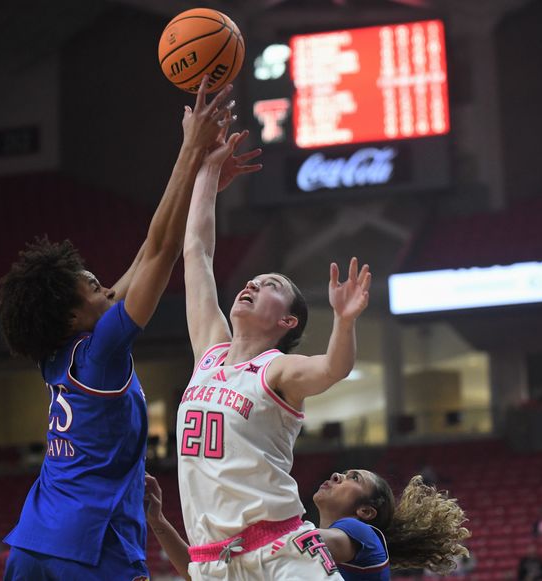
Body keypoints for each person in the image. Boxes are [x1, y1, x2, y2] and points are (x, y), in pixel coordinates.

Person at [0, 76, 259, 580]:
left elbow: (144, 252)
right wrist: (190, 149)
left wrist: (202, 179)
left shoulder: (58, 353)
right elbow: (160, 252)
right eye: (95, 286)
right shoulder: (103, 352)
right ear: (74, 315)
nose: (108, 289)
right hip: (93, 544)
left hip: (33, 541)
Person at [176, 125, 371, 579]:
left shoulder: (277, 369)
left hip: (281, 552)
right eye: (253, 280)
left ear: (288, 322)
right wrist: (206, 170)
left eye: (271, 286)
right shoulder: (209, 350)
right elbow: (197, 252)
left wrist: (344, 322)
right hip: (212, 565)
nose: (252, 284)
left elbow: (333, 367)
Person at [145, 469, 470, 581]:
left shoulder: (364, 535)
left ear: (367, 512)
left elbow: (295, 543)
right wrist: (157, 522)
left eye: (353, 478)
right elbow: (199, 573)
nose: (337, 475)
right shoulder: (292, 544)